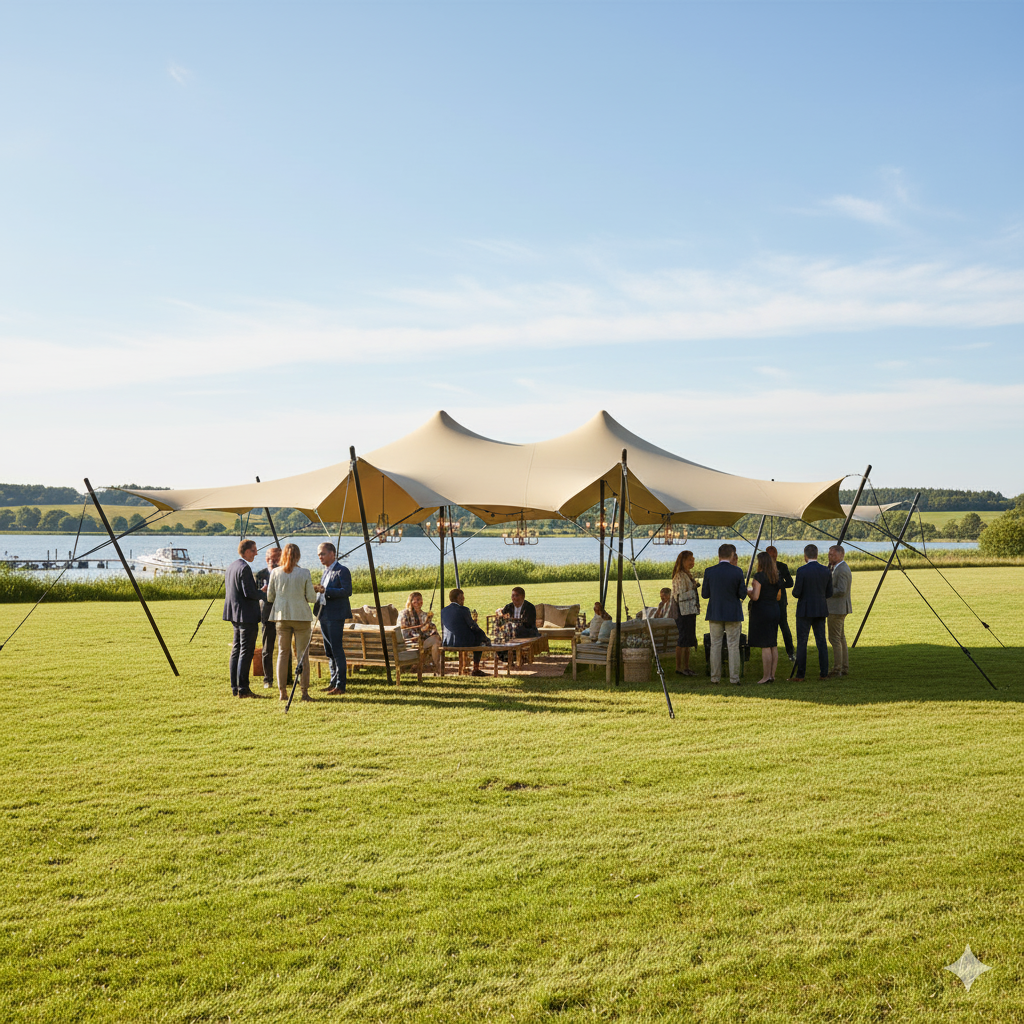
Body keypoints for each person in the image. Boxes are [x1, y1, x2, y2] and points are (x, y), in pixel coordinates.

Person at [267, 543, 316, 701]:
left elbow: (269, 597)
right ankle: (304, 691)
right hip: (301, 616)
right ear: (298, 556)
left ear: (283, 556)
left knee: (283, 653)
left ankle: (282, 692)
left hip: (282, 616)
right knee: (303, 655)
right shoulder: (304, 573)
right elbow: (311, 598)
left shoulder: (275, 572)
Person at [222, 538, 266, 698]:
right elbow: (250, 593)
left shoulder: (233, 566)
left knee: (237, 649)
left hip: (235, 614)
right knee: (246, 651)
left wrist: (257, 591)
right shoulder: (245, 568)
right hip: (246, 615)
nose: (256, 553)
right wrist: (265, 594)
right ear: (247, 551)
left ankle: (235, 687)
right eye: (254, 550)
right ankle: (243, 689)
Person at [700, 543, 747, 684]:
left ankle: (715, 678)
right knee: (733, 646)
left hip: (715, 612)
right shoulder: (737, 572)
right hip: (733, 612)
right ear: (732, 554)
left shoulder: (709, 571)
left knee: (715, 645)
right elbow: (742, 594)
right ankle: (734, 678)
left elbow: (704, 594)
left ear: (718, 555)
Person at [313, 542, 352, 694]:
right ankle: (333, 681)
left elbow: (346, 591)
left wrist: (326, 590)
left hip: (336, 615)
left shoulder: (342, 570)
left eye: (322, 554)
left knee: (336, 649)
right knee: (328, 650)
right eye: (318, 554)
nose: (320, 557)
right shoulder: (326, 571)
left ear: (332, 554)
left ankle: (340, 685)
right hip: (324, 614)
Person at [791, 543, 833, 681]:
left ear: (805, 556)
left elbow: (796, 593)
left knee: (802, 642)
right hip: (820, 609)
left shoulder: (801, 571)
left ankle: (800, 674)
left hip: (804, 610)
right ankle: (824, 673)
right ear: (817, 555)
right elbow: (829, 592)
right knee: (821, 642)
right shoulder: (825, 570)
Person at [746, 551, 782, 684]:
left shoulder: (759, 576)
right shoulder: (776, 576)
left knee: (765, 645)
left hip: (762, 611)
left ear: (760, 563)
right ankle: (772, 675)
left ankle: (766, 676)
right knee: (773, 643)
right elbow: (778, 595)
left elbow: (756, 596)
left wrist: (748, 591)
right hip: (774, 609)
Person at [441, 589, 490, 676]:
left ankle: (485, 641)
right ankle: (476, 668)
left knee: (477, 635)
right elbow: (473, 626)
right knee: (479, 636)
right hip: (462, 641)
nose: (463, 600)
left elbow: (456, 624)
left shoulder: (443, 611)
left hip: (448, 642)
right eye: (462, 598)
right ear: (459, 598)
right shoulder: (464, 610)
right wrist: (482, 634)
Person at [254, 546, 281, 689]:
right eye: (273, 558)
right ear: (267, 558)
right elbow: (257, 595)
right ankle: (267, 679)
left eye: (278, 558)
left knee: (285, 647)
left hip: (283, 613)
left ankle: (286, 677)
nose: (275, 561)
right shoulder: (260, 575)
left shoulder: (285, 573)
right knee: (267, 648)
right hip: (267, 613)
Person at [671, 549, 700, 676]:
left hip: (690, 610)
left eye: (693, 559)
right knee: (682, 639)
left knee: (689, 639)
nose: (692, 562)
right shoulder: (679, 575)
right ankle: (679, 667)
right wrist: (694, 588)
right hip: (683, 611)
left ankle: (687, 666)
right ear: (682, 561)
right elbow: (679, 595)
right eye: (690, 559)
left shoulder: (688, 574)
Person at [398, 591, 442, 673]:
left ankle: (437, 667)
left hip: (422, 640)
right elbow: (403, 629)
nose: (419, 602)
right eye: (416, 600)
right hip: (410, 641)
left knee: (436, 640)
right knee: (436, 640)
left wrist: (429, 624)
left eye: (420, 600)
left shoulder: (424, 614)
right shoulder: (404, 613)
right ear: (411, 601)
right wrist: (421, 629)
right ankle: (436, 667)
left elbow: (427, 629)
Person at [827, 544, 853, 678]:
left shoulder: (841, 569)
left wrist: (827, 591)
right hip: (840, 608)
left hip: (836, 609)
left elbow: (842, 590)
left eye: (833, 555)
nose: (830, 556)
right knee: (841, 638)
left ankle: (837, 669)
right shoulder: (838, 567)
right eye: (829, 554)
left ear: (841, 555)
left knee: (834, 639)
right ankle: (844, 667)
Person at [766, 546, 795, 660]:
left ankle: (790, 652)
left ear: (776, 555)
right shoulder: (764, 568)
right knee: (770, 627)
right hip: (768, 601)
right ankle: (770, 651)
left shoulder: (782, 566)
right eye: (770, 556)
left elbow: (790, 583)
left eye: (774, 555)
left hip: (780, 601)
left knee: (783, 626)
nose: (773, 557)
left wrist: (778, 584)